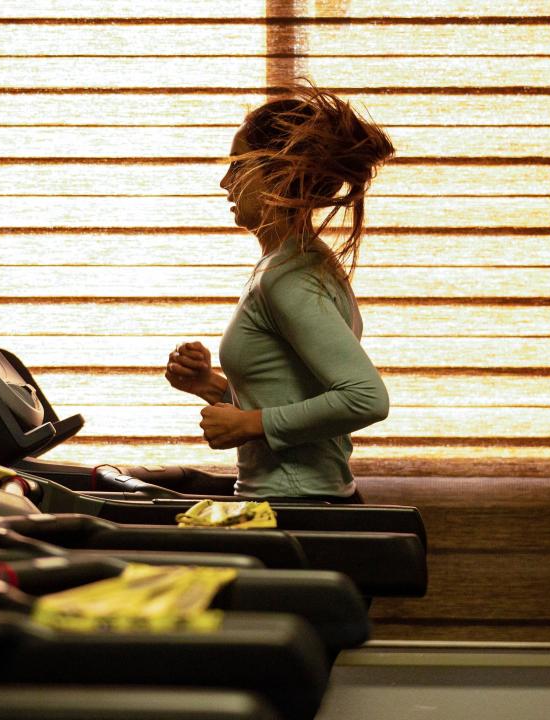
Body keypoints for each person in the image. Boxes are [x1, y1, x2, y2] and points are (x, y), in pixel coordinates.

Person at [165, 85, 394, 502]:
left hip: (300, 505)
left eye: (237, 165)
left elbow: (366, 399)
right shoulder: (291, 264)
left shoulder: (290, 277)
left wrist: (250, 424)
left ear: (277, 171)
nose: (224, 182)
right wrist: (209, 385)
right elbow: (291, 395)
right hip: (297, 499)